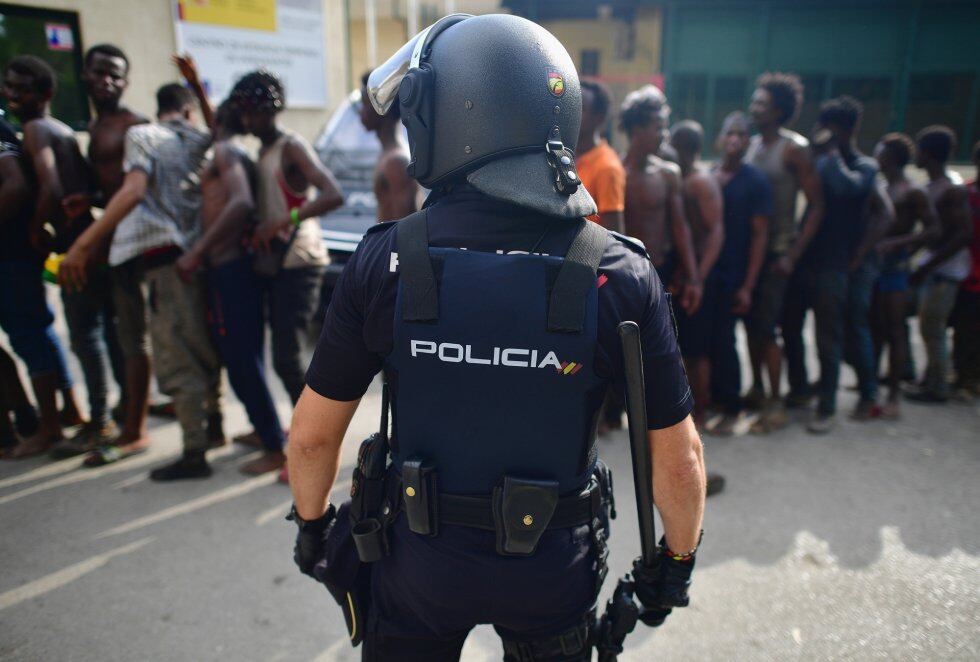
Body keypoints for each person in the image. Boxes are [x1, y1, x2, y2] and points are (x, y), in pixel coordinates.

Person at [288, 14, 706, 661]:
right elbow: (680, 461)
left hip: (418, 566)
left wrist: (313, 530)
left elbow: (313, 436)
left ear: (447, 118)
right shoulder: (619, 272)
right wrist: (674, 564)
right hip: (553, 574)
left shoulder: (385, 261)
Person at [60, 82, 222, 480]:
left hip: (157, 260)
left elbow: (134, 191)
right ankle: (212, 425)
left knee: (174, 354)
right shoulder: (200, 139)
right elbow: (219, 131)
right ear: (188, 111)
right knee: (200, 346)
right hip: (193, 260)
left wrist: (82, 245)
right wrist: (201, 89)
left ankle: (194, 452)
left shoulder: (142, 135)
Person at [175, 100, 288, 475]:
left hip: (229, 269)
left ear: (218, 123)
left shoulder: (224, 151)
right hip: (236, 269)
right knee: (243, 358)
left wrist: (197, 251)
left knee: (242, 362)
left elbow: (239, 203)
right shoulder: (234, 151)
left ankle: (275, 446)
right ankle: (265, 430)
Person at [62, 44, 153, 454]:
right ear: (85, 74)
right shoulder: (98, 127)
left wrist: (84, 243)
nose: (107, 81)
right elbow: (114, 189)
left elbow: (138, 192)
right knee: (108, 336)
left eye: (115, 75)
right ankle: (121, 414)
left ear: (126, 81)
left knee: (132, 339)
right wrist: (92, 200)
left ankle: (133, 428)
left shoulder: (135, 126)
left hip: (131, 250)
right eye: (100, 72)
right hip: (109, 247)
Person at [234, 70, 343, 407]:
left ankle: (307, 440)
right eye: (245, 112)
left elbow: (332, 194)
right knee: (282, 358)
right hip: (278, 263)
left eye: (253, 112)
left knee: (288, 360)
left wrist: (283, 220)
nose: (249, 120)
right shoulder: (262, 150)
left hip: (300, 262)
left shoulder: (291, 146)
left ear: (270, 110)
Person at [2, 55, 88, 456]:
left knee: (31, 335)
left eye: (23, 88)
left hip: (19, 254)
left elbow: (40, 187)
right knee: (45, 331)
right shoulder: (54, 128)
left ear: (45, 94)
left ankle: (50, 427)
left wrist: (37, 230)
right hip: (47, 249)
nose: (12, 95)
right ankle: (69, 411)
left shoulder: (34, 129)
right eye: (9, 86)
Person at [805, 97, 894, 433]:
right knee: (820, 332)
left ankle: (832, 404)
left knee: (838, 332)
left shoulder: (864, 167)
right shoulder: (818, 160)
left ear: (850, 129)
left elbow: (848, 190)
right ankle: (816, 388)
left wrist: (829, 155)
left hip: (840, 264)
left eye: (836, 128)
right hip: (816, 260)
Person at [745, 72, 824, 432]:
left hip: (776, 253)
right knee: (750, 326)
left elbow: (817, 205)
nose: (754, 108)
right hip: (750, 253)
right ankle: (758, 390)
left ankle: (776, 404)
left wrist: (793, 253)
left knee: (767, 329)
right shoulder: (753, 145)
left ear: (777, 110)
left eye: (761, 103)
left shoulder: (794, 148)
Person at [0, 110, 74, 457]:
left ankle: (49, 426)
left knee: (30, 335)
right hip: (14, 255)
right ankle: (50, 415)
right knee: (35, 333)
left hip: (11, 255)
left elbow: (16, 185)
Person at [710, 112, 771, 436]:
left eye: (741, 135)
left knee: (727, 340)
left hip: (735, 273)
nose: (734, 140)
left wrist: (748, 284)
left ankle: (732, 407)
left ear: (749, 142)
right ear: (720, 138)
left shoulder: (755, 182)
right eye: (729, 133)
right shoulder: (710, 175)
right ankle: (715, 401)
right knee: (706, 340)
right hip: (708, 272)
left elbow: (760, 235)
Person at [871, 133, 939, 417]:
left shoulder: (913, 191)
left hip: (895, 267)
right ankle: (871, 386)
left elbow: (933, 230)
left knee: (895, 330)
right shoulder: (882, 186)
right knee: (874, 327)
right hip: (875, 264)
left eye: (880, 151)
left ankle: (894, 396)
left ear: (892, 157)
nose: (875, 155)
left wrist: (900, 247)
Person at [905, 126, 974, 403]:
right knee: (926, 327)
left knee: (933, 329)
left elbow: (963, 234)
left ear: (928, 154)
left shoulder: (951, 189)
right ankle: (927, 378)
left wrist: (929, 264)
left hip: (946, 271)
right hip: (934, 267)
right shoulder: (934, 186)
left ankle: (938, 387)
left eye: (919, 149)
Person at [620, 85, 701, 314]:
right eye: (659, 128)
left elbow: (679, 226)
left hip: (662, 271)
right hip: (624, 275)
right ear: (638, 129)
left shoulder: (668, 174)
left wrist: (693, 277)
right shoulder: (615, 174)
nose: (665, 135)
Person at [669, 120, 723, 429]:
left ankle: (701, 412)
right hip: (686, 275)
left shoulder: (700, 182)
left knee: (698, 350)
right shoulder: (680, 179)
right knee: (683, 347)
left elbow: (716, 233)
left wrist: (697, 278)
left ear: (682, 147)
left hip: (701, 276)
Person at [358, 71, 416, 222]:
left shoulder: (396, 163)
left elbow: (403, 229)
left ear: (382, 107)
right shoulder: (388, 156)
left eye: (364, 103)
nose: (360, 111)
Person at [950, 140, 980, 399]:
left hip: (974, 275)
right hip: (965, 272)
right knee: (962, 327)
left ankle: (970, 379)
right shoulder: (966, 192)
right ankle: (961, 375)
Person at [577, 78, 626, 233]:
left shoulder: (607, 167)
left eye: (581, 107)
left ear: (599, 117)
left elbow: (614, 235)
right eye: (571, 104)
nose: (572, 112)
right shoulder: (561, 155)